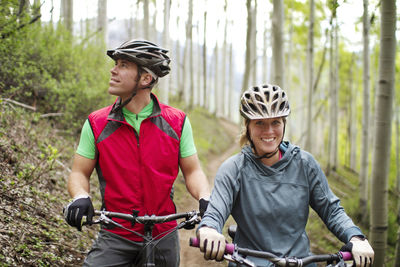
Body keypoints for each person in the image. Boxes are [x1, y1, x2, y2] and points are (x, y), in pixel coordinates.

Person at [63, 39, 210, 267]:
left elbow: (193, 171)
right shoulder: (96, 123)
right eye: (116, 64)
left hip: (164, 233)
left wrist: (204, 197)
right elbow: (79, 173)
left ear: (145, 78)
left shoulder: (177, 122)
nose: (113, 70)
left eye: (123, 65)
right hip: (116, 233)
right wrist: (81, 196)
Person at [196, 84, 374, 267]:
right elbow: (215, 211)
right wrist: (209, 229)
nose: (269, 131)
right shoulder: (233, 169)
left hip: (300, 262)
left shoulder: (305, 164)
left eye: (276, 122)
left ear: (284, 124)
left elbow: (332, 210)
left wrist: (356, 237)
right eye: (260, 123)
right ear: (247, 126)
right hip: (248, 262)